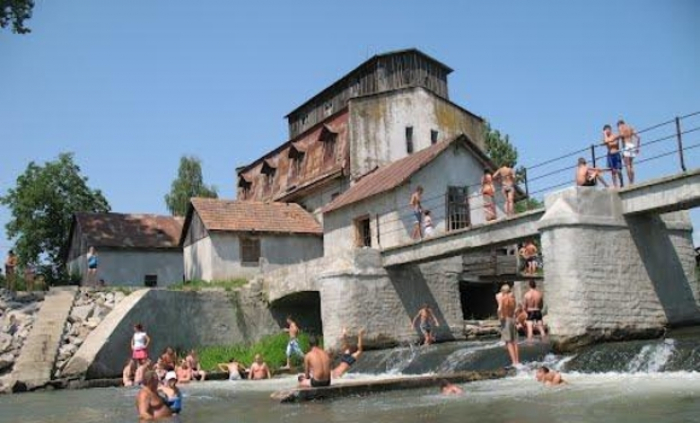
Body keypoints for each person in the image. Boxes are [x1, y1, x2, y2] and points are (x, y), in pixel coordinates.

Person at [498, 284, 519, 367]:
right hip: (512, 319)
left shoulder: (503, 298)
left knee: (508, 342)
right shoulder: (513, 298)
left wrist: (500, 316)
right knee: (514, 341)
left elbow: (499, 309)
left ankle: (514, 362)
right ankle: (517, 361)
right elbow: (515, 310)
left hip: (506, 320)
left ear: (502, 291)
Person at [618, 119, 641, 185]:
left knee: (627, 165)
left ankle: (630, 182)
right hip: (632, 145)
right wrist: (637, 147)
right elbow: (639, 137)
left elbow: (621, 135)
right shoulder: (630, 127)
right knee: (631, 166)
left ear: (619, 124)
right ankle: (632, 181)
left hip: (626, 145)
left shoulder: (621, 128)